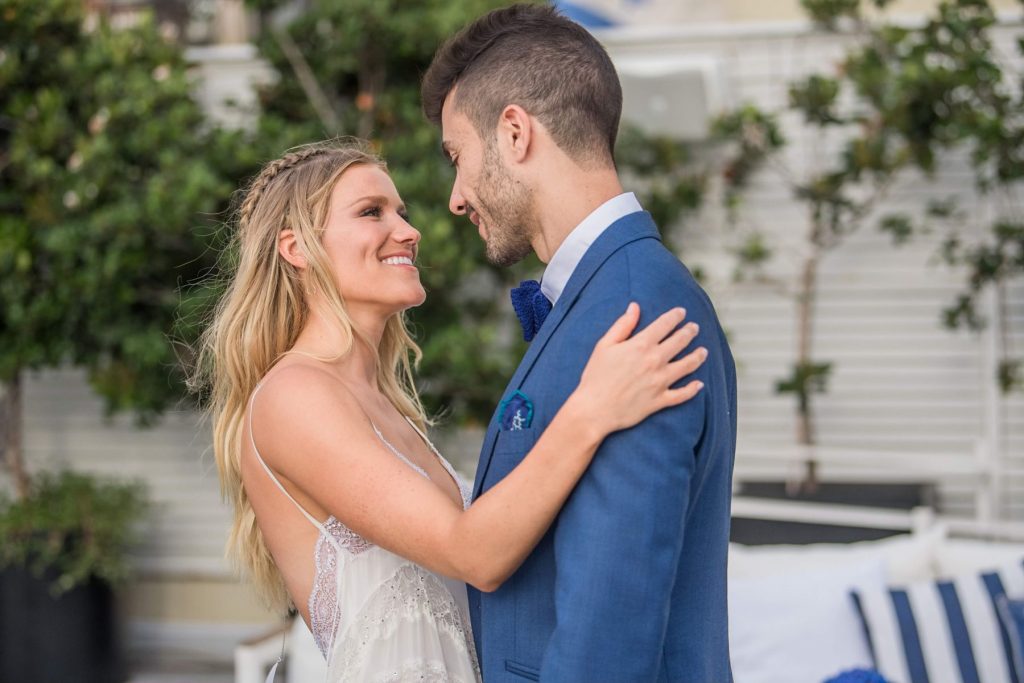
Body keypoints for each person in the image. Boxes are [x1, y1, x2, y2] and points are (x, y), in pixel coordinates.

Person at [191, 139, 708, 682]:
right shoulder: (294, 395)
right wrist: (591, 409)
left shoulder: (382, 405)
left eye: (401, 212)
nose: (408, 231)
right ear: (296, 248)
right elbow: (474, 554)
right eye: (371, 212)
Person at [421, 4, 738, 682]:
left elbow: (611, 624)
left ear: (514, 133)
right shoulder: (613, 293)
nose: (456, 196)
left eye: (457, 157)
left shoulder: (634, 309)